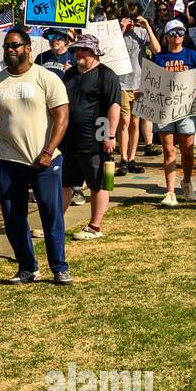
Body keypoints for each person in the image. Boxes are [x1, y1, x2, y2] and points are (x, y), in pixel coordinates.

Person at [0, 28, 73, 284]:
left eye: (15, 45)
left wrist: (48, 151)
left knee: (51, 214)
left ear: (28, 48)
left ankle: (59, 267)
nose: (10, 50)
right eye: (7, 46)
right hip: (8, 160)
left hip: (45, 159)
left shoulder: (46, 78)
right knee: (12, 217)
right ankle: (27, 267)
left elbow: (62, 118)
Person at [60, 34, 121, 240]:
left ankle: (95, 226)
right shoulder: (68, 74)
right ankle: (55, 224)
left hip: (95, 139)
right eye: (76, 49)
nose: (78, 53)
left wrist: (110, 135)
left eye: (83, 49)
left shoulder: (106, 75)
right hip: (68, 140)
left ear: (94, 53)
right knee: (64, 183)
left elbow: (114, 105)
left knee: (99, 183)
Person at [152, 19, 196, 206]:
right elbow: (153, 83)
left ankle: (186, 182)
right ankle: (170, 192)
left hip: (187, 108)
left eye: (181, 32)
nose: (177, 36)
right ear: (166, 36)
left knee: (187, 150)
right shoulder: (159, 58)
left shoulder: (192, 55)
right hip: (165, 108)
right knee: (169, 150)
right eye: (173, 33)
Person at [115, 6, 158, 176]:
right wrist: (121, 29)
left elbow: (157, 50)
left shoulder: (141, 33)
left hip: (139, 84)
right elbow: (108, 51)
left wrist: (147, 26)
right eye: (128, 18)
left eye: (134, 18)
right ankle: (123, 158)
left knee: (135, 122)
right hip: (121, 84)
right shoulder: (118, 33)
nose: (131, 22)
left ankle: (132, 158)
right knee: (123, 122)